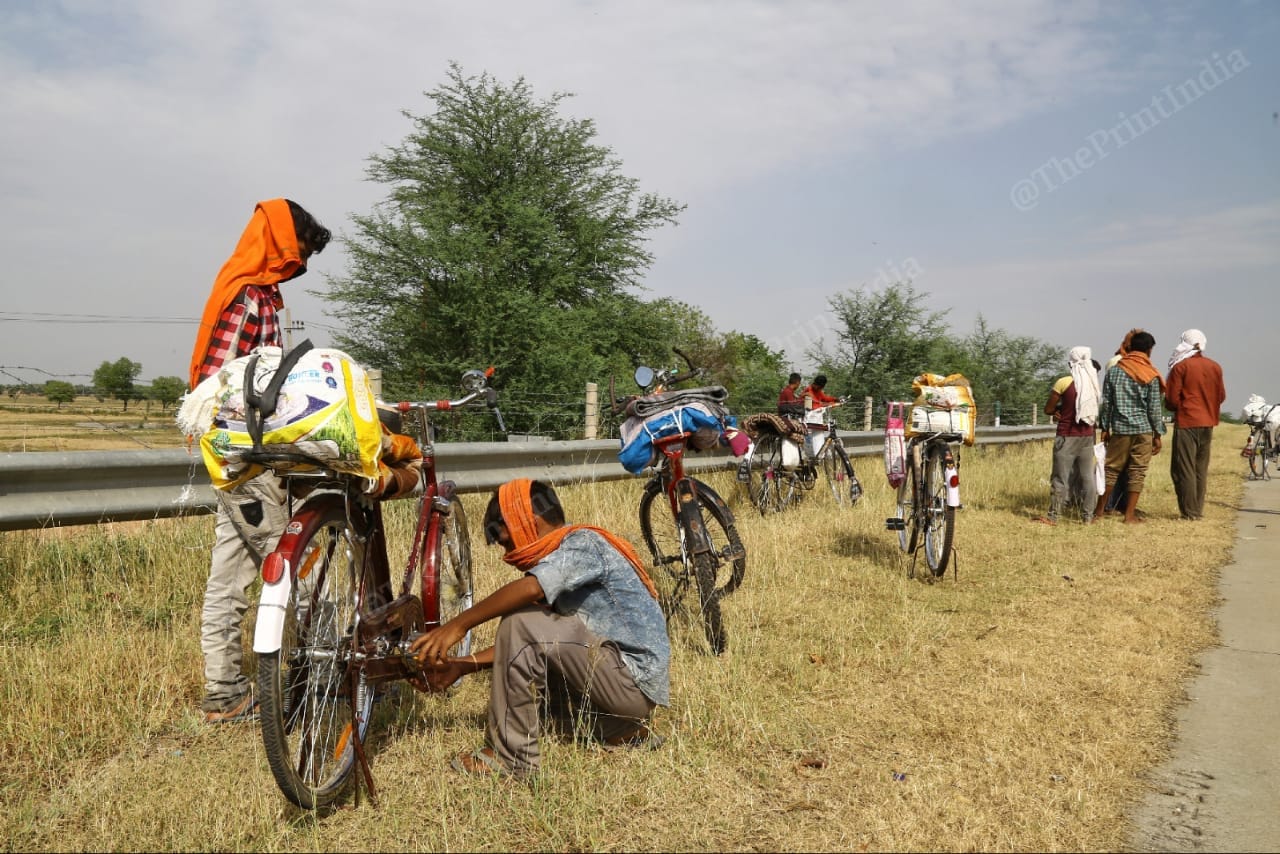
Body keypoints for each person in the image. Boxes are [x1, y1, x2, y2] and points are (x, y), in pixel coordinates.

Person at [411, 478, 671, 779]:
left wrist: (458, 625)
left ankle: (511, 758)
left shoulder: (582, 543)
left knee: (519, 620)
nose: (508, 556)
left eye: (506, 541)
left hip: (630, 683)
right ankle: (620, 729)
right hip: (623, 688)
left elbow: (530, 591)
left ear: (529, 521)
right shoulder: (569, 556)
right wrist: (461, 666)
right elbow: (529, 644)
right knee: (527, 625)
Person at [189, 199, 331, 724]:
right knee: (295, 561)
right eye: (301, 250)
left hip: (250, 458)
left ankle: (224, 692)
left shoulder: (264, 296)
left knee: (229, 576)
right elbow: (221, 382)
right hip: (243, 458)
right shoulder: (248, 297)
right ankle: (328, 672)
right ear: (279, 241)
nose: (303, 263)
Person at [1093, 331, 1165, 524]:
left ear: (1130, 347)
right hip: (1143, 429)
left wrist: (1105, 428)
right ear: (1149, 350)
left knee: (1111, 470)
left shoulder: (1115, 371)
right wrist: (1158, 434)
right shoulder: (1151, 373)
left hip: (1121, 429)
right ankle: (1129, 515)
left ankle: (1099, 512)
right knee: (1137, 470)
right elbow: (1154, 409)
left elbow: (1107, 403)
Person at [1164, 329, 1226, 521]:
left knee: (1183, 468)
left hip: (1187, 421)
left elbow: (1172, 399)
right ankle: (1197, 510)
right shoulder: (1215, 366)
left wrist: (1178, 407)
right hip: (1208, 422)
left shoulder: (1181, 367)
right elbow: (1221, 396)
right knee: (1200, 468)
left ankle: (1189, 512)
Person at [1034, 347, 1100, 526]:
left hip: (1067, 435)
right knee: (1087, 477)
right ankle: (1088, 516)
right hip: (1087, 435)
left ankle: (1053, 516)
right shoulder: (1093, 382)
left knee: (1060, 477)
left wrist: (1058, 411)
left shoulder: (1064, 382)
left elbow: (1048, 409)